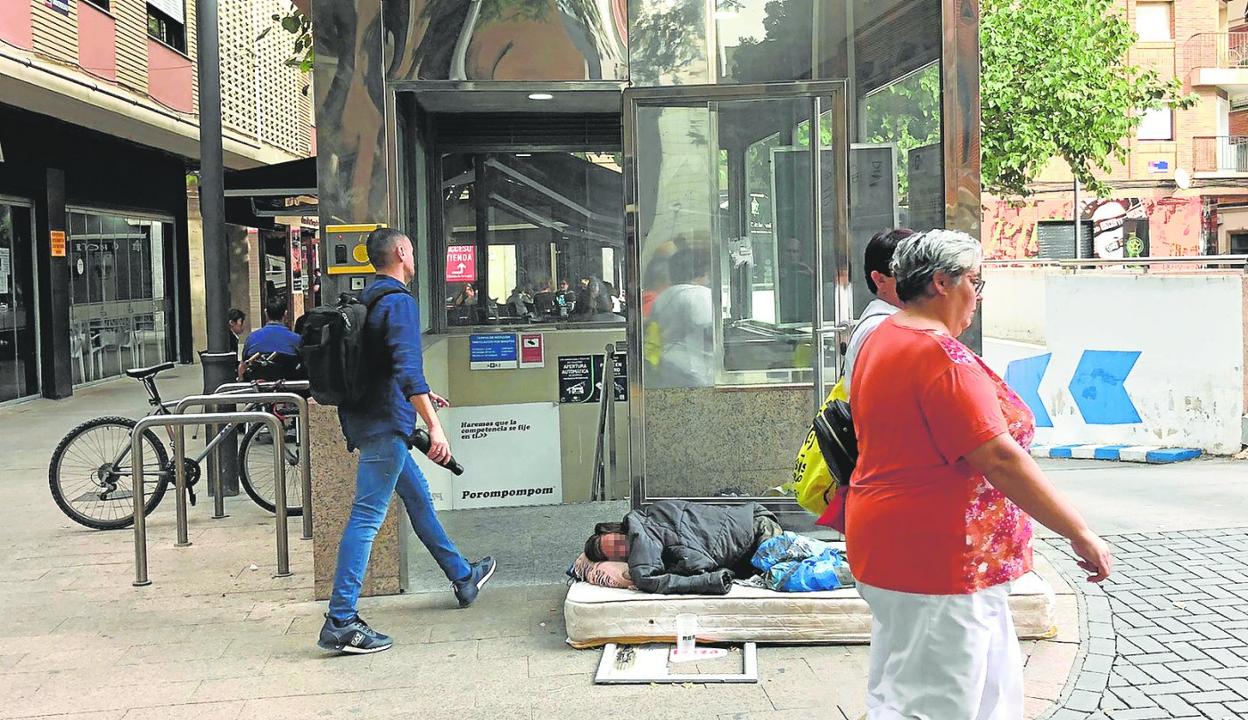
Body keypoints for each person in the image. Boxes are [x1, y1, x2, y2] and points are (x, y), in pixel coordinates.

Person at [848, 229, 1112, 718]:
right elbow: (999, 459)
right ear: (942, 283)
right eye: (975, 280)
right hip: (938, 558)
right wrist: (1078, 532)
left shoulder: (887, 336)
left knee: (961, 693)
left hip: (915, 550)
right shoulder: (940, 358)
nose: (978, 294)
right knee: (936, 705)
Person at [319, 228, 496, 655]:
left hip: (369, 417)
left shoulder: (367, 299)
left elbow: (387, 368)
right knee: (366, 517)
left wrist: (420, 395)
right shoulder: (398, 302)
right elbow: (407, 367)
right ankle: (341, 620)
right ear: (400, 252)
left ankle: (462, 576)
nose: (413, 258)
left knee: (418, 501)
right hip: (386, 425)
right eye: (412, 251)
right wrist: (434, 424)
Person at [841, 228, 914, 394]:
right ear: (879, 279)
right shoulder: (883, 328)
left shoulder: (881, 320)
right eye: (910, 272)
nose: (923, 280)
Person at [647, 247, 715, 387]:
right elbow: (708, 330)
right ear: (701, 273)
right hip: (695, 371)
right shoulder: (701, 295)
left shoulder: (663, 297)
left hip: (668, 364)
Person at [239, 296, 301, 380]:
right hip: (288, 390)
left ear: (265, 313)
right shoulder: (296, 339)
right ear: (285, 314)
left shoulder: (251, 338)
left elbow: (243, 365)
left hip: (257, 389)